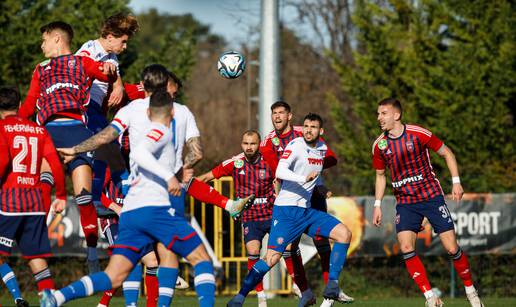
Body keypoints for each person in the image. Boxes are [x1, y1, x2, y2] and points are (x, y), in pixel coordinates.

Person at [40, 89, 216, 307]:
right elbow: (141, 153)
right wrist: (171, 175)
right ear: (170, 112)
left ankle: (57, 297)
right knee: (202, 260)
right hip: (154, 210)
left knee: (113, 275)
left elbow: (116, 141)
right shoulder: (161, 132)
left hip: (132, 214)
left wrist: (76, 150)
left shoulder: (135, 126)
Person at [58, 64, 254, 219]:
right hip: (134, 170)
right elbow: (110, 103)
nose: (173, 99)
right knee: (174, 250)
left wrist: (76, 149)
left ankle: (227, 205)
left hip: (143, 179)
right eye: (172, 93)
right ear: (162, 86)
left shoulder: (173, 111)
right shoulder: (139, 101)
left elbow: (106, 135)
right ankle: (102, 204)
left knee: (141, 250)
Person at [18, 21, 117, 273]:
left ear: (57, 39)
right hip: (48, 133)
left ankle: (92, 254)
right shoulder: (40, 69)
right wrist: (14, 122)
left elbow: (104, 72)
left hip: (76, 132)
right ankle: (38, 248)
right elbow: (30, 104)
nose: (41, 45)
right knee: (43, 187)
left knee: (84, 197)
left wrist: (109, 71)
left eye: (44, 40)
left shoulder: (81, 62)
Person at [227, 113, 353, 307]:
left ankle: (333, 285)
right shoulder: (295, 145)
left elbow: (313, 172)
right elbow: (280, 171)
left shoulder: (322, 149)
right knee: (272, 258)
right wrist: (304, 179)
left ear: (321, 131)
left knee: (344, 234)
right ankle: (240, 297)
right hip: (286, 211)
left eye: (312, 127)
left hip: (306, 211)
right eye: (305, 126)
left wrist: (319, 184)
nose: (308, 130)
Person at [371, 98, 484, 307]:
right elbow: (380, 175)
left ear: (396, 115)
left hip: (431, 197)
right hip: (405, 202)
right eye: (378, 114)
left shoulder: (418, 134)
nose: (379, 118)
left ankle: (471, 292)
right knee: (406, 247)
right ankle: (430, 297)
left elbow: (447, 153)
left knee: (451, 248)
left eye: (383, 113)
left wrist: (456, 182)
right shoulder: (380, 145)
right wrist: (377, 204)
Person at [0, 87, 66, 306]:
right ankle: (48, 301)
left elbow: (3, 160)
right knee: (37, 259)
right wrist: (62, 194)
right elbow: (54, 163)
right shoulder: (38, 130)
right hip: (35, 202)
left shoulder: (2, 128)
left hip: (10, 200)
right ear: (19, 106)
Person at [198, 130, 274, 307]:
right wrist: (190, 185)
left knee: (286, 249)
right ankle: (261, 296)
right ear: (241, 145)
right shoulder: (235, 162)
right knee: (253, 252)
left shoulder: (270, 161)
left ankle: (299, 287)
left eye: (253, 143)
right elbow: (209, 176)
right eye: (246, 144)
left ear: (259, 144)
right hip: (250, 217)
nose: (249, 147)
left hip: (272, 214)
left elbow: (283, 177)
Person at [75, 13, 139, 223]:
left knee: (113, 155)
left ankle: (123, 200)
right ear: (110, 36)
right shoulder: (89, 50)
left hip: (99, 113)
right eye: (124, 41)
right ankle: (95, 200)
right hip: (87, 109)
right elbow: (77, 70)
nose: (125, 46)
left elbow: (116, 74)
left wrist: (118, 85)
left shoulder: (112, 55)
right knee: (104, 152)